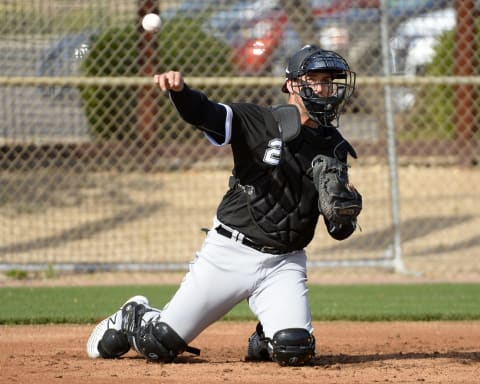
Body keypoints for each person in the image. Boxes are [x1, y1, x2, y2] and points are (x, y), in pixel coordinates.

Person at [86, 44, 361, 366]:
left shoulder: (334, 143)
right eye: (314, 79)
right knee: (159, 344)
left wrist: (344, 214)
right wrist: (181, 92)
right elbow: (206, 114)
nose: (324, 88)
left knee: (294, 348)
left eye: (329, 80)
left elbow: (336, 227)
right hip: (230, 253)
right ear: (291, 84)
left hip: (284, 263)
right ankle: (134, 316)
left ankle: (266, 337)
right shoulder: (258, 120)